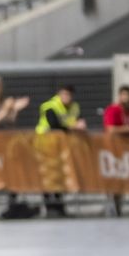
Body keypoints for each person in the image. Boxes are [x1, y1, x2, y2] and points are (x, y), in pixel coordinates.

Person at [35, 83, 86, 218]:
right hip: (45, 146)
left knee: (60, 177)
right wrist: (74, 127)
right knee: (47, 177)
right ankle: (49, 207)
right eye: (64, 94)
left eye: (69, 94)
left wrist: (77, 126)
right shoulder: (49, 106)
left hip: (62, 148)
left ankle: (59, 207)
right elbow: (54, 125)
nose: (66, 97)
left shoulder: (74, 107)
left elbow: (79, 121)